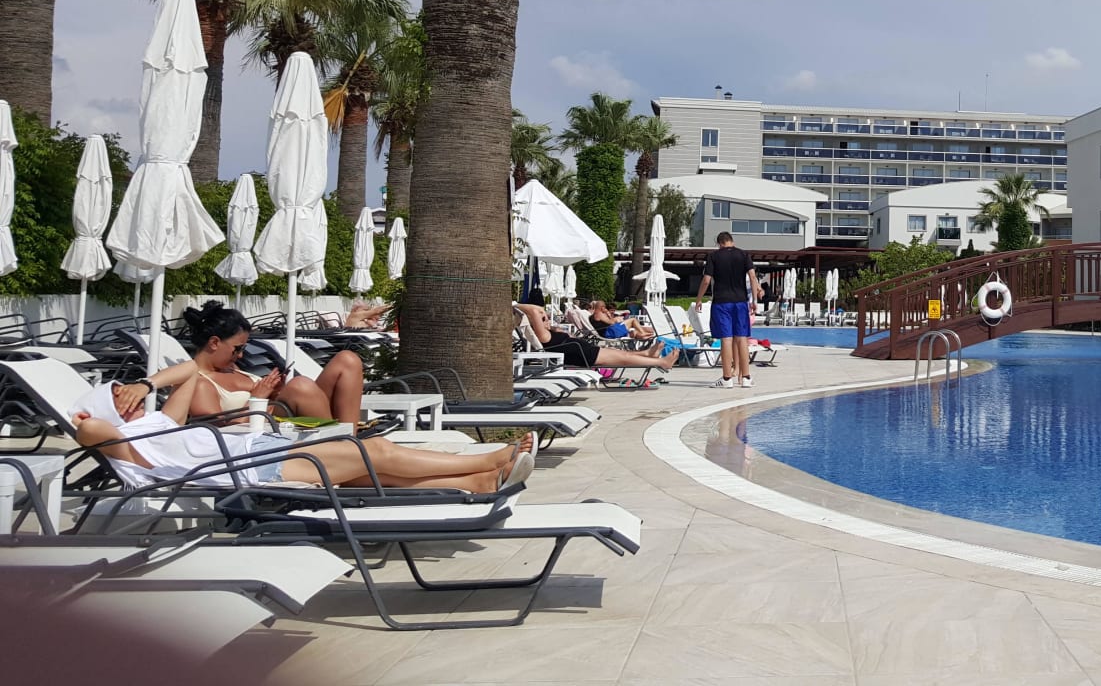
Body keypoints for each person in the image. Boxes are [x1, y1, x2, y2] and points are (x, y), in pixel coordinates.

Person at [78, 376, 533, 493]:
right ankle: (486, 460)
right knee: (374, 450)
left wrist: (145, 385)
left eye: (124, 389)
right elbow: (91, 429)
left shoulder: (157, 423)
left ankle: (477, 482)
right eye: (116, 395)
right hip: (253, 468)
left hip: (264, 451)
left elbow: (191, 376)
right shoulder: (124, 444)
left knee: (372, 474)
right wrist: (86, 415)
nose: (126, 395)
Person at [117, 302, 364, 426]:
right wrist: (257, 398)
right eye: (237, 348)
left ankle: (348, 437)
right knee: (300, 385)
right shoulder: (200, 384)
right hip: (270, 432)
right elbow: (219, 428)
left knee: (347, 360)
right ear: (214, 343)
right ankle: (344, 446)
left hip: (287, 415)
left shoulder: (232, 368)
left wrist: (275, 391)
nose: (241, 355)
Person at [518, 288, 676, 373]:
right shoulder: (543, 335)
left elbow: (538, 312)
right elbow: (534, 311)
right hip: (584, 355)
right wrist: (515, 305)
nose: (546, 319)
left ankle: (647, 354)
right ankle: (661, 362)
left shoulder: (550, 332)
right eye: (543, 319)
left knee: (624, 354)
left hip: (585, 351)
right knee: (624, 358)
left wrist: (546, 320)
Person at [695, 232, 762, 389]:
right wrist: (754, 301)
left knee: (726, 339)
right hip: (740, 302)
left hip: (721, 302)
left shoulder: (714, 256)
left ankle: (727, 379)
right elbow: (753, 277)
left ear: (719, 243)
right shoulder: (744, 255)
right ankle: (746, 378)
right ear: (732, 241)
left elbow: (706, 280)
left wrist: (699, 299)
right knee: (742, 338)